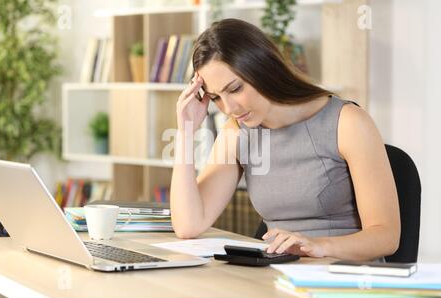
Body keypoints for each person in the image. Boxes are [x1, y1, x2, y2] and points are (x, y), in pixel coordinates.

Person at [170, 18, 400, 261]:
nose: (228, 108)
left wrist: (319, 246)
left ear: (262, 68)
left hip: (346, 277)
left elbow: (386, 236)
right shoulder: (237, 133)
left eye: (235, 89)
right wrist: (186, 131)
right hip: (281, 275)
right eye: (216, 97)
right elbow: (188, 225)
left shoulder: (348, 122)